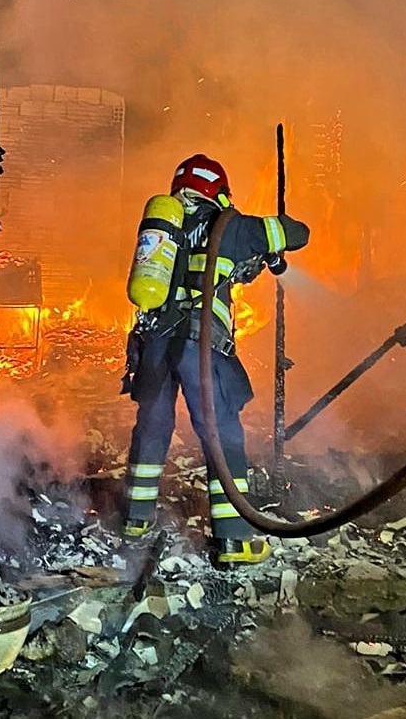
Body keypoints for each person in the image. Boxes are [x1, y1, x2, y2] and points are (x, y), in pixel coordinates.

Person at [122, 153, 310, 566]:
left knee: (152, 425)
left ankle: (135, 520)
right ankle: (233, 540)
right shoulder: (233, 227)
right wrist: (268, 242)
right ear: (219, 192)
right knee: (221, 435)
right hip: (199, 347)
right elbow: (298, 233)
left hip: (153, 346)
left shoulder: (164, 231)